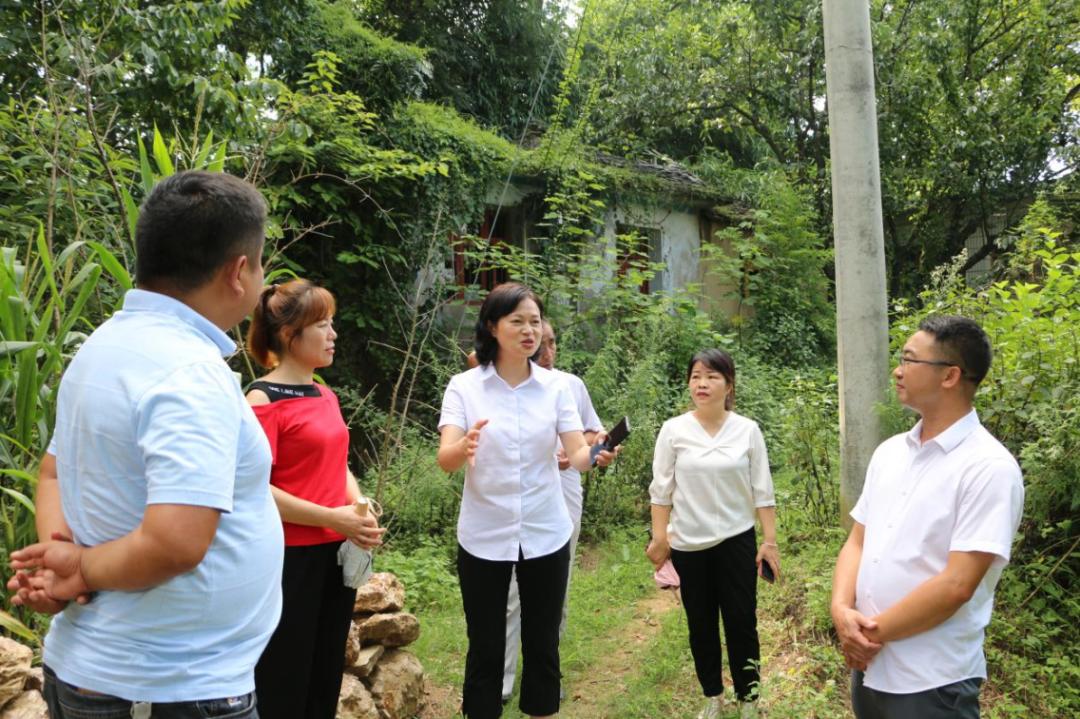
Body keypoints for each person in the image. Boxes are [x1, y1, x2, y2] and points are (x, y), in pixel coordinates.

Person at [6, 171, 282, 718]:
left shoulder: (106, 345)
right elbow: (175, 542)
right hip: (170, 688)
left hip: (109, 676)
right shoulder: (187, 372)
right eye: (261, 262)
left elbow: (53, 472)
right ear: (238, 272)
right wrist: (80, 570)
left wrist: (65, 562)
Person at [436, 282, 617, 719]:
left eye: (535, 321)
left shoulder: (557, 387)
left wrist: (596, 453)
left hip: (545, 530)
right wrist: (464, 448)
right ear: (492, 327)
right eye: (517, 321)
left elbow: (574, 453)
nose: (529, 330)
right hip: (484, 534)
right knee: (485, 644)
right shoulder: (464, 387)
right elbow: (446, 458)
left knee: (543, 641)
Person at [831, 315, 1024, 719]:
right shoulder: (890, 453)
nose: (898, 371)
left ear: (950, 376)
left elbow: (957, 584)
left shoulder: (988, 467)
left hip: (932, 681)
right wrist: (839, 609)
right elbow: (858, 540)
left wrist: (866, 635)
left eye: (909, 359)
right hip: (870, 666)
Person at [245, 279, 384, 719]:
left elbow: (337, 463)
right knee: (285, 673)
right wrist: (334, 517)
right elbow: (253, 487)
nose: (333, 334)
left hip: (335, 555)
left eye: (332, 324)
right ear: (289, 335)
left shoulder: (323, 393)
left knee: (326, 669)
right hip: (288, 559)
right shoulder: (261, 398)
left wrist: (359, 509)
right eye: (322, 325)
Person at [646, 349, 778, 719]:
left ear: (729, 384)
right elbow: (661, 491)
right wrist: (660, 539)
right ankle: (712, 697)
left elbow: (762, 491)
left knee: (741, 621)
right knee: (700, 622)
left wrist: (769, 542)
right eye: (696, 376)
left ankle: (748, 699)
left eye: (712, 376)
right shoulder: (674, 430)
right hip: (688, 543)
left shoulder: (747, 430)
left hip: (736, 540)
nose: (702, 384)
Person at [502, 320, 604, 703]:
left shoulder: (569, 385)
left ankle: (546, 672)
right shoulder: (500, 382)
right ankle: (503, 679)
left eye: (553, 342)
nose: (547, 350)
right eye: (541, 343)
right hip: (517, 493)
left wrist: (592, 448)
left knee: (554, 585)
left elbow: (592, 434)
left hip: (563, 491)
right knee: (510, 587)